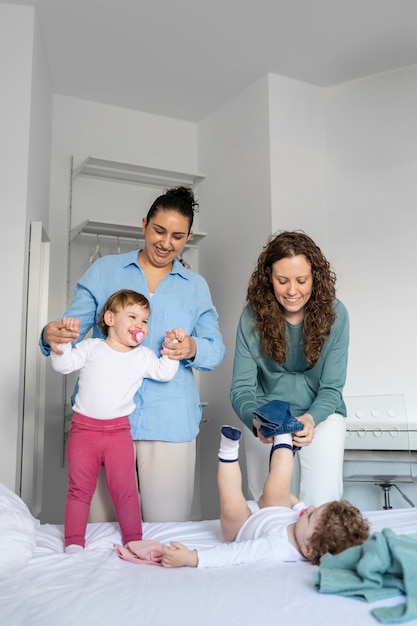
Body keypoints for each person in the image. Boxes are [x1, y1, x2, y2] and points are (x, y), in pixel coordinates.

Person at [40, 186, 226, 523]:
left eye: (177, 236)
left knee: (164, 532)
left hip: (168, 424)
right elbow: (73, 328)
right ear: (143, 224)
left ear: (189, 237)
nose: (166, 242)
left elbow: (214, 351)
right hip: (102, 423)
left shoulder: (195, 287)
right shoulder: (104, 271)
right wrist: (50, 334)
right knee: (100, 530)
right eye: (158, 230)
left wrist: (192, 347)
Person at [50, 289, 184, 552]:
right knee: (79, 490)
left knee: (126, 490)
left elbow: (163, 373)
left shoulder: (143, 355)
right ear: (110, 319)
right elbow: (63, 366)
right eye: (132, 316)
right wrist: (64, 343)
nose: (140, 325)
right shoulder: (91, 348)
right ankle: (74, 542)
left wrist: (171, 351)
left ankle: (134, 538)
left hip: (118, 434)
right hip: (83, 432)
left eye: (145, 320)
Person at [230, 230, 349, 506]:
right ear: (269, 276)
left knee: (323, 502)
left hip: (321, 413)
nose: (292, 290)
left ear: (315, 277)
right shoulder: (252, 316)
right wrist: (255, 421)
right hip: (267, 415)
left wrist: (311, 418)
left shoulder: (336, 315)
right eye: (282, 280)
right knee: (267, 503)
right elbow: (241, 388)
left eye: (301, 280)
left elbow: (331, 388)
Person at [160, 426, 369, 568]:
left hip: (242, 526)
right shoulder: (304, 526)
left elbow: (233, 554)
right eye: (315, 509)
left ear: (307, 550)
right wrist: (295, 504)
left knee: (232, 504)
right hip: (274, 510)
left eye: (309, 516)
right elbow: (298, 506)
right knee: (279, 484)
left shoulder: (275, 549)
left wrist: (191, 558)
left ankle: (228, 448)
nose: (308, 509)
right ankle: (283, 437)